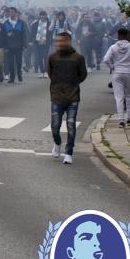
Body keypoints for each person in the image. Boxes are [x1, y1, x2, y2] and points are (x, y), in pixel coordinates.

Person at [48, 32, 87, 164]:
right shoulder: (52, 57)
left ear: (69, 42)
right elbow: (50, 73)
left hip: (72, 97)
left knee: (71, 124)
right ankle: (57, 143)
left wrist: (72, 83)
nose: (60, 44)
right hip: (56, 96)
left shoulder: (78, 58)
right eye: (57, 41)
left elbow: (83, 75)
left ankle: (69, 152)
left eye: (62, 41)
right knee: (55, 126)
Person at [103, 28, 130, 128]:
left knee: (119, 97)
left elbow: (106, 59)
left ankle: (121, 120)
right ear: (127, 36)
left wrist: (112, 67)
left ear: (118, 36)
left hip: (117, 73)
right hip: (129, 73)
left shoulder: (113, 47)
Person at [2, 7, 27, 83]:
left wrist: (24, 45)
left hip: (19, 46)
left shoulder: (21, 22)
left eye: (13, 12)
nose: (11, 13)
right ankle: (12, 77)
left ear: (16, 13)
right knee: (10, 63)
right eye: (10, 12)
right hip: (9, 46)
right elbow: (3, 36)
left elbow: (24, 34)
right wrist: (5, 46)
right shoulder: (6, 23)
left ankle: (19, 73)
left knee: (19, 62)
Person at [30, 10, 51, 78]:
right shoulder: (35, 23)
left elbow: (51, 33)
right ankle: (42, 71)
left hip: (46, 43)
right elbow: (32, 33)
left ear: (46, 16)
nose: (42, 16)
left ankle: (46, 72)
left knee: (45, 57)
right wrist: (32, 41)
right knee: (39, 58)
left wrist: (50, 40)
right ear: (39, 16)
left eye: (44, 15)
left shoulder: (49, 23)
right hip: (38, 42)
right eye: (41, 15)